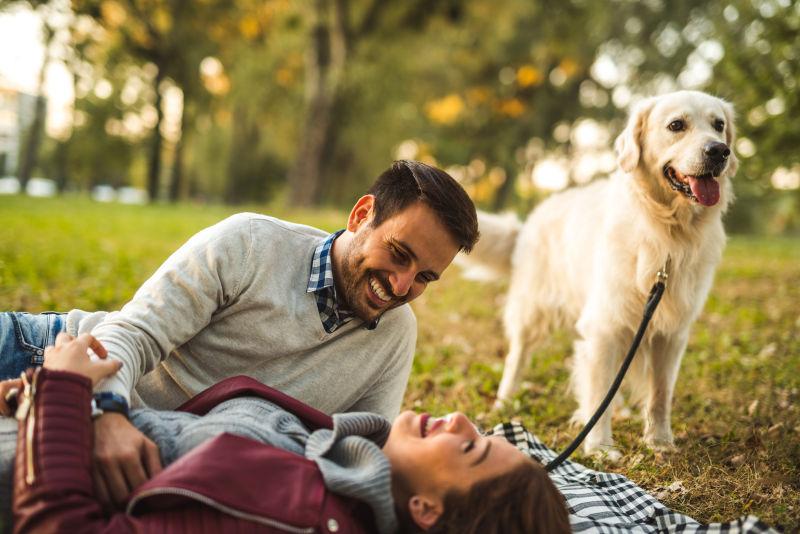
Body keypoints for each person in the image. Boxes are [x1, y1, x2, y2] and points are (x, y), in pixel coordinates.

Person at [0, 160, 480, 507]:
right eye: (399, 253)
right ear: (361, 216)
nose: (401, 285)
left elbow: (361, 455)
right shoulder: (250, 243)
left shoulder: (395, 336)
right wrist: (102, 413)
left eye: (424, 278)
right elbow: (132, 334)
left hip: (154, 442)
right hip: (49, 356)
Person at [6, 332, 570, 534]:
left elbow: (59, 526)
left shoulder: (294, 518)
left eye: (470, 446)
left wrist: (61, 390)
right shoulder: (336, 464)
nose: (463, 420)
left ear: (425, 510)